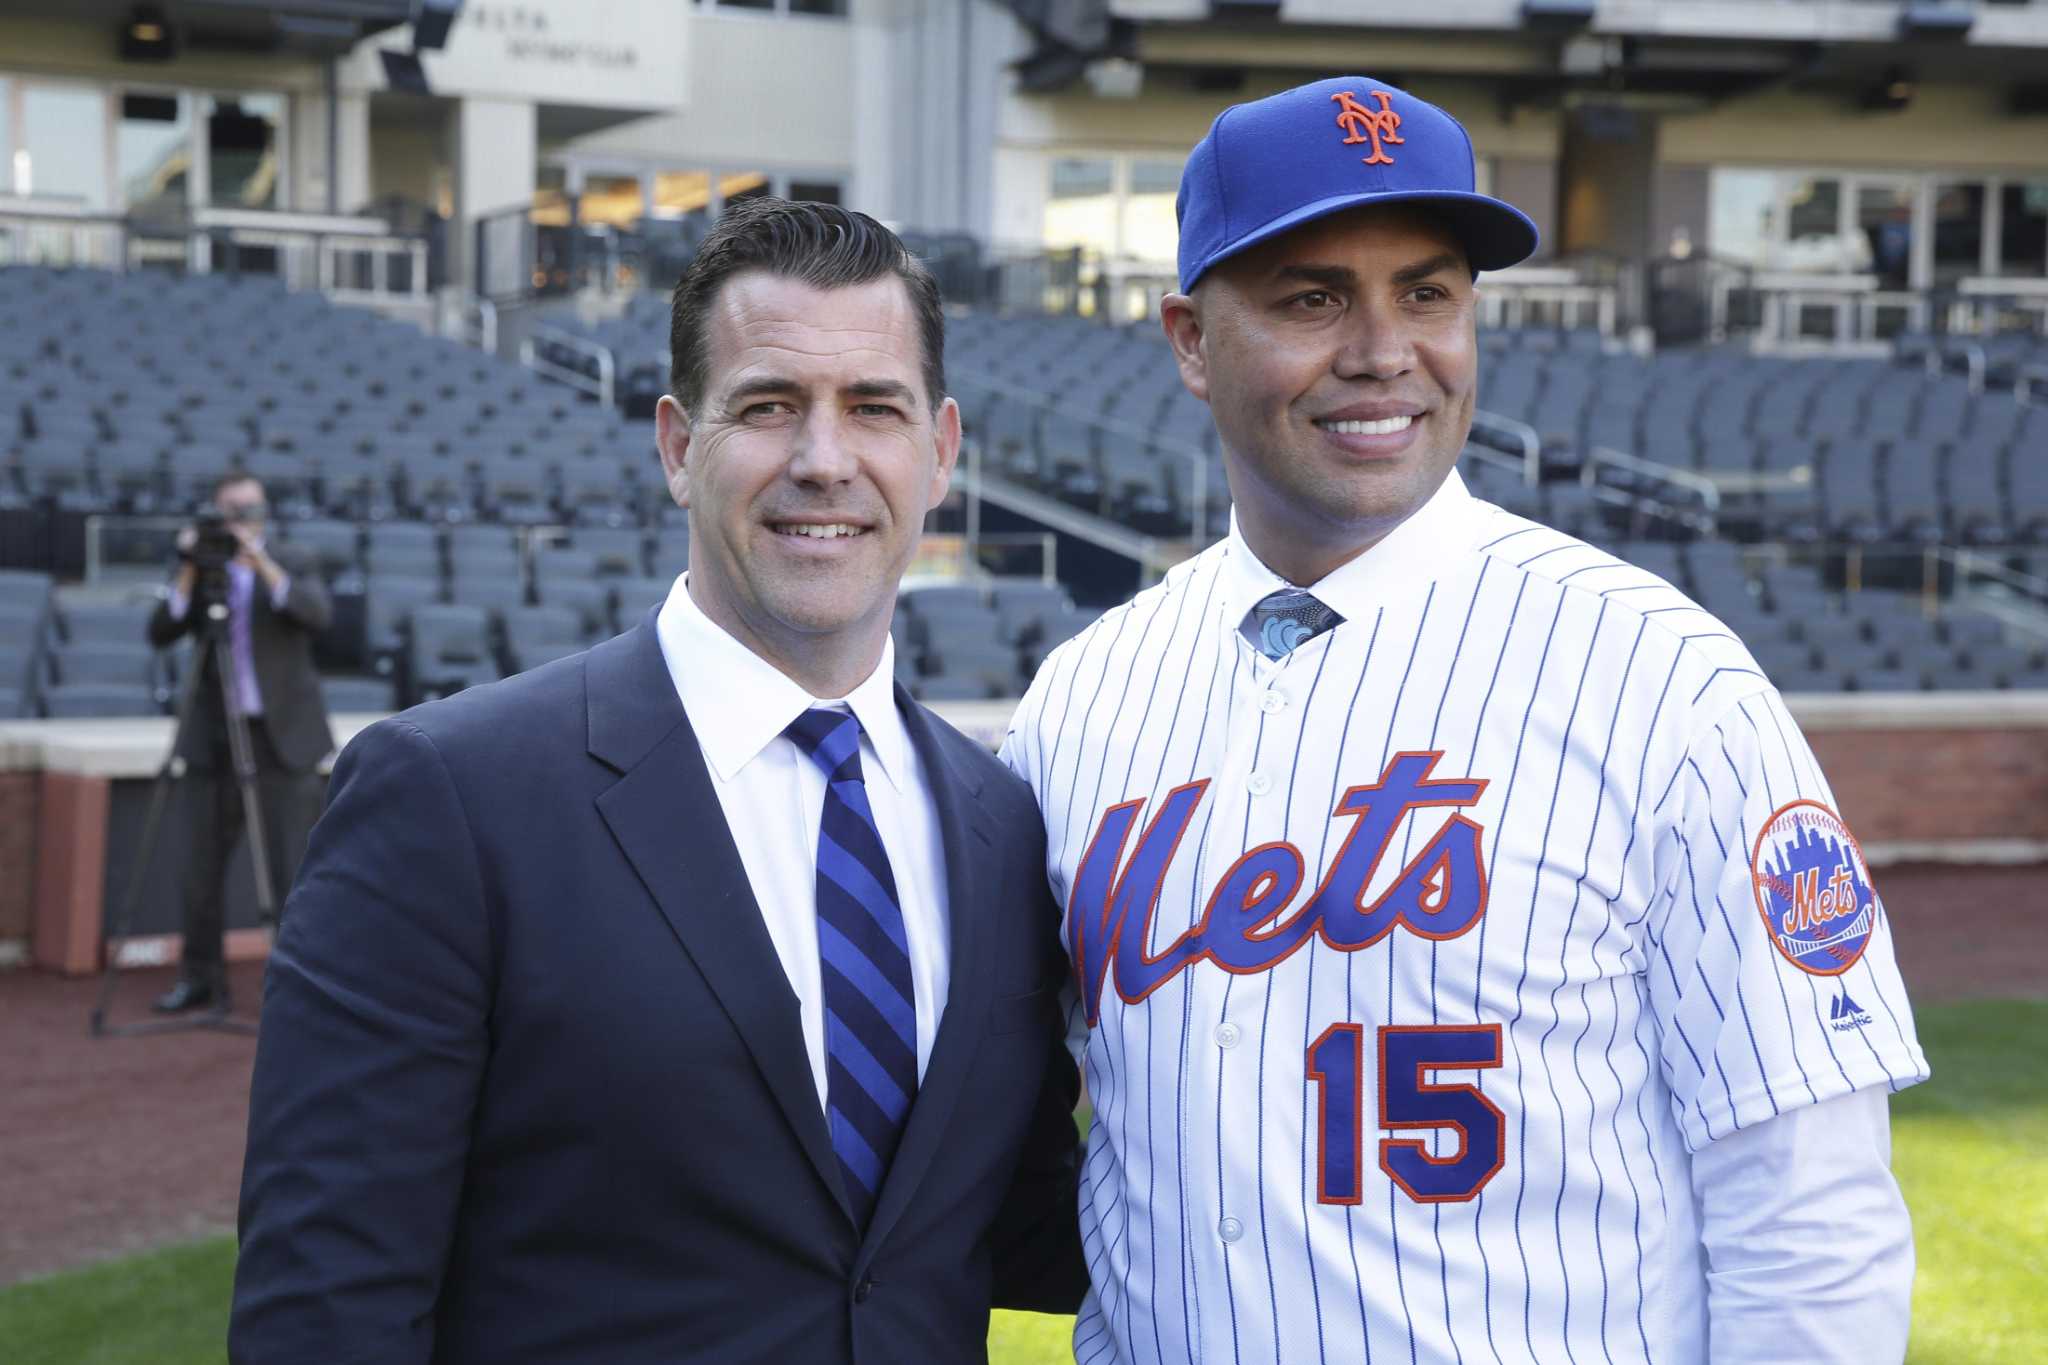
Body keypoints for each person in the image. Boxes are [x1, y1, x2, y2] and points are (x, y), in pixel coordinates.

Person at [1001, 77, 1927, 1364]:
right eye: (1311, 297)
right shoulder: (1082, 700)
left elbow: (1806, 1209)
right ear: (1189, 341)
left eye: (1427, 292)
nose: (1383, 351)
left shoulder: (1662, 681)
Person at [231, 199, 1086, 1363]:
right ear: (680, 446)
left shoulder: (997, 823)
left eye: (871, 409)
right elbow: (325, 1304)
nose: (823, 460)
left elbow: (1015, 1222)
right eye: (769, 406)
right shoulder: (448, 797)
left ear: (938, 452)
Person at [146, 472, 332, 1014]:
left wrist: (262, 566)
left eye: (248, 510)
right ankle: (200, 977)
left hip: (280, 739)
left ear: (265, 512)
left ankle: (299, 982)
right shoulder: (202, 569)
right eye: (230, 511)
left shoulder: (294, 558)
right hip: (213, 737)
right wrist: (188, 568)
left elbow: (317, 615)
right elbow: (160, 631)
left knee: (290, 866)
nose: (240, 521)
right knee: (199, 868)